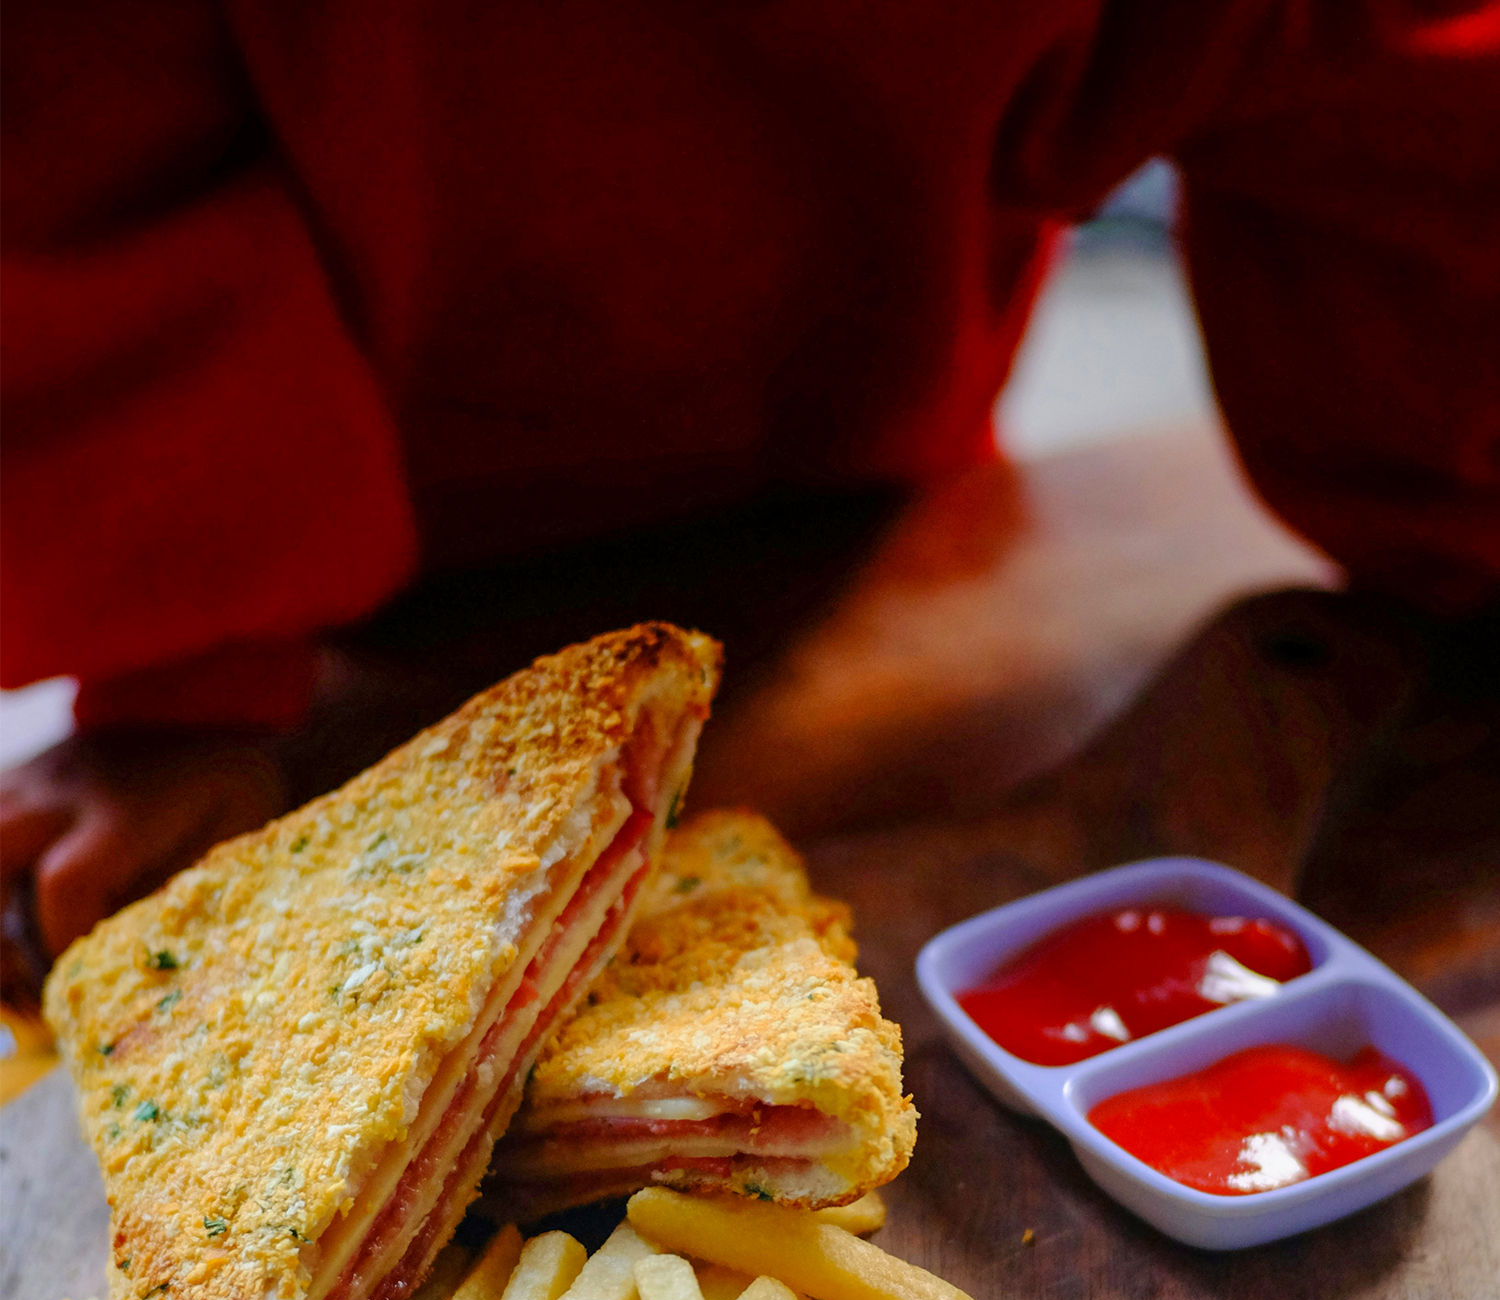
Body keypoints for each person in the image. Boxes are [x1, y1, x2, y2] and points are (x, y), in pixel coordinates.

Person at [3, 0, 1497, 980]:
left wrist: (1461, 505)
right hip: (331, 467)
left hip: (852, 450)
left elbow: (1382, 54)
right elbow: (74, 103)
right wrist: (188, 664)